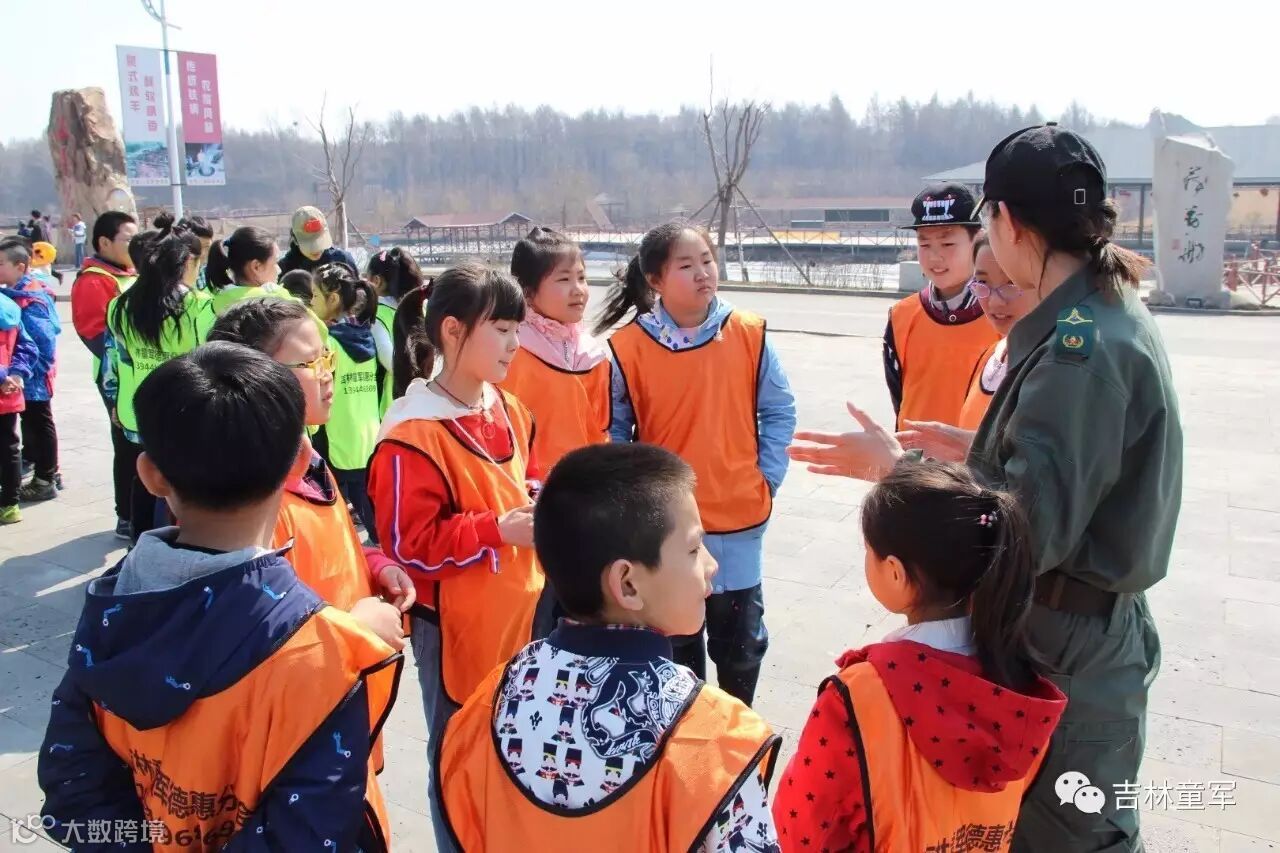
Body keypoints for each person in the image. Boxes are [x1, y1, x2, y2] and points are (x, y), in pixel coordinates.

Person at [787, 125, 1181, 853]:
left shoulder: (1077, 350)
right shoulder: (1095, 311)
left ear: (1004, 223)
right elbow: (1073, 474)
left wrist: (896, 468)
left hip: (1067, 641)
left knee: (1065, 836)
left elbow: (1028, 529)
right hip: (1078, 627)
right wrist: (982, 451)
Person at [37, 342, 402, 851]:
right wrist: (350, 635)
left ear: (151, 475)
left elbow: (72, 786)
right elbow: (311, 830)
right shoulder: (326, 653)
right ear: (299, 462)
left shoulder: (113, 602)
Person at [438, 442, 781, 852]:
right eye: (693, 549)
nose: (711, 564)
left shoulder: (487, 705)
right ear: (627, 584)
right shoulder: (713, 736)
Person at [773, 460, 1066, 851]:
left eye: (869, 551)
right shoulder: (1022, 690)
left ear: (895, 572)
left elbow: (800, 828)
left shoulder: (858, 695)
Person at [366, 264, 542, 849]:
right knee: (459, 758)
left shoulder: (510, 407)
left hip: (519, 615)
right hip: (454, 627)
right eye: (501, 329)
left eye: (517, 330)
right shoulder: (412, 434)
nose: (514, 344)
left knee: (514, 747)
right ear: (451, 330)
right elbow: (408, 546)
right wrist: (496, 529)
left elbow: (522, 481)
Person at [597, 221, 796, 707]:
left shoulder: (748, 333)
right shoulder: (628, 348)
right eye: (686, 265)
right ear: (656, 280)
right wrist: (633, 502)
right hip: (666, 523)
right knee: (675, 648)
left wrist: (767, 479)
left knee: (741, 646)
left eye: (707, 260)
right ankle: (685, 739)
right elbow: (615, 432)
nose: (703, 272)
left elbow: (779, 410)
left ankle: (737, 733)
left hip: (738, 516)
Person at [105, 216, 215, 540]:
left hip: (137, 408)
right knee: (180, 485)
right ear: (186, 262)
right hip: (185, 411)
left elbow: (116, 361)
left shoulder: (120, 305)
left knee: (146, 474)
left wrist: (114, 402)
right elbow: (211, 359)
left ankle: (139, 542)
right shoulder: (198, 306)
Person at [894, 235, 1042, 462]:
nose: (994, 301)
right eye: (982, 284)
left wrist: (893, 463)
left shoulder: (1051, 365)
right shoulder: (992, 355)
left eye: (1011, 283)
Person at [883, 183, 999, 430]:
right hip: (913, 453)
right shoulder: (902, 316)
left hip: (975, 454)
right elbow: (899, 398)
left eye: (947, 244)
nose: (934, 257)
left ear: (977, 240)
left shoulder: (1003, 313)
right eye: (924, 245)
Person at [501, 226, 610, 471]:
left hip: (584, 481)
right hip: (529, 484)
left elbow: (600, 430)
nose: (578, 290)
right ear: (527, 292)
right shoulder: (510, 352)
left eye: (581, 278)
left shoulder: (592, 355)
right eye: (564, 279)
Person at [293, 263, 381, 541]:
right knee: (368, 501)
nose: (311, 302)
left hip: (336, 435)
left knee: (332, 503)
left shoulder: (328, 343)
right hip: (368, 433)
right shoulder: (367, 336)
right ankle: (382, 547)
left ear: (332, 299)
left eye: (315, 296)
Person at [70, 210, 139, 538]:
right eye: (128, 239)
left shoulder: (130, 273)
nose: (134, 246)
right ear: (104, 242)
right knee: (126, 444)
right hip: (117, 376)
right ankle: (126, 514)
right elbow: (94, 333)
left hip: (141, 370)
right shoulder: (94, 280)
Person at [0, 238, 61, 504]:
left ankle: (46, 479)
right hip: (20, 375)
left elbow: (43, 342)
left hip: (33, 376)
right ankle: (39, 468)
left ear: (20, 267)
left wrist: (24, 373)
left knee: (40, 423)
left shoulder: (31, 298)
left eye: (1, 264)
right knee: (31, 425)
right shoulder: (13, 294)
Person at [365, 246, 424, 415]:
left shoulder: (378, 314)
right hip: (426, 398)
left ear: (377, 281)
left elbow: (392, 364)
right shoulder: (422, 308)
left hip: (395, 405)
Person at [0, 289, 38, 525]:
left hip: (5, 387)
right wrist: (16, 374)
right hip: (9, 393)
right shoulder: (9, 307)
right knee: (9, 448)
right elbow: (28, 347)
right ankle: (10, 505)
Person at [204, 225, 286, 315]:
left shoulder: (210, 305)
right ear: (256, 267)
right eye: (275, 262)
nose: (279, 270)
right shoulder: (277, 303)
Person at [278, 205, 358, 278]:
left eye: (319, 241)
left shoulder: (343, 260)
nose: (316, 249)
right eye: (310, 244)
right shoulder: (284, 269)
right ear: (296, 240)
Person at [176, 214, 215, 291]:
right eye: (196, 248)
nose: (202, 254)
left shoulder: (213, 274)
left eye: (206, 246)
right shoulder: (169, 279)